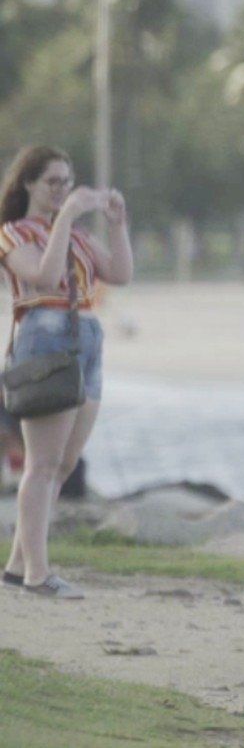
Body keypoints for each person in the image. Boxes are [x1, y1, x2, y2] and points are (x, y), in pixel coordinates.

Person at [0, 146, 133, 599]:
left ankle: (19, 565)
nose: (61, 190)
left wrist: (116, 223)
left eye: (67, 182)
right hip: (45, 333)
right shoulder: (14, 232)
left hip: (85, 336)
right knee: (41, 464)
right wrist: (68, 215)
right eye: (52, 182)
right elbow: (45, 275)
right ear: (28, 184)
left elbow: (119, 273)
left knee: (65, 462)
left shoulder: (75, 234)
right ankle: (38, 573)